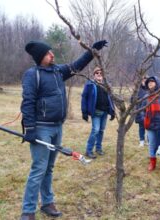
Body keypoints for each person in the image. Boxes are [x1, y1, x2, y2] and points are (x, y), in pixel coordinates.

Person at [20, 39, 107, 219]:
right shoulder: (32, 75)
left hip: (57, 127)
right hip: (42, 128)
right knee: (39, 169)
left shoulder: (58, 71)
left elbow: (77, 65)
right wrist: (29, 128)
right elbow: (27, 102)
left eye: (51, 52)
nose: (52, 55)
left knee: (49, 168)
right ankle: (28, 211)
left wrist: (93, 50)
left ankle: (47, 203)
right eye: (48, 53)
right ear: (40, 57)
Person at [81, 67, 115, 159]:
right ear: (94, 75)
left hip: (104, 112)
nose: (99, 74)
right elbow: (84, 97)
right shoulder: (90, 85)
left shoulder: (106, 86)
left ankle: (98, 149)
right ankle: (88, 151)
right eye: (97, 73)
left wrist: (112, 111)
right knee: (95, 130)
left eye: (101, 73)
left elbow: (111, 99)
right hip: (96, 112)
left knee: (101, 130)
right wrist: (84, 112)